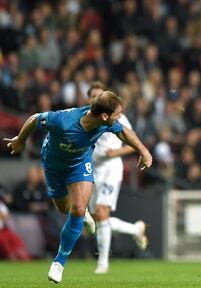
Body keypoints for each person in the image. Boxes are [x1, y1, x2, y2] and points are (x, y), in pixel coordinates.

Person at [3, 91, 152, 283]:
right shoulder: (64, 120)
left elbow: (123, 131)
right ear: (104, 116)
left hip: (80, 165)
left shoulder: (106, 124)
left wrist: (143, 150)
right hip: (53, 166)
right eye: (116, 115)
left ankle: (59, 263)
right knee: (63, 208)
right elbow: (34, 119)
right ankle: (83, 216)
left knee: (79, 208)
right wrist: (20, 140)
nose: (119, 118)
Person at [86, 82, 148, 274]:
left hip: (111, 169)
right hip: (91, 170)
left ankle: (103, 263)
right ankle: (134, 230)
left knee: (101, 212)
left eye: (99, 96)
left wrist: (117, 152)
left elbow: (133, 142)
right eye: (93, 96)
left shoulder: (115, 116)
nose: (96, 99)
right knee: (97, 220)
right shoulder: (84, 117)